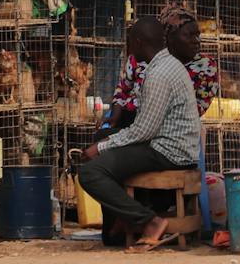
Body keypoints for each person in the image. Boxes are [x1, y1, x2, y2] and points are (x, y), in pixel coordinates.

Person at [77, 16, 202, 251]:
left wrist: (101, 147)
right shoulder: (167, 65)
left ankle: (149, 221)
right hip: (168, 145)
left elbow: (144, 131)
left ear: (138, 42)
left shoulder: (159, 74)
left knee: (91, 173)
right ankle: (121, 222)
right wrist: (107, 142)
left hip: (168, 151)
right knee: (103, 146)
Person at [103, 3, 217, 132]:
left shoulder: (205, 66)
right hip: (128, 119)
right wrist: (116, 114)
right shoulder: (142, 57)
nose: (196, 40)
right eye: (189, 35)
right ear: (170, 38)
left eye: (197, 35)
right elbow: (123, 89)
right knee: (102, 136)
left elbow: (196, 108)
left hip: (168, 129)